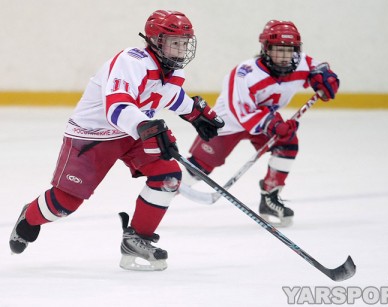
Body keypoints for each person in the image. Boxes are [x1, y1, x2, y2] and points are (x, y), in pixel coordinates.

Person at [9, 10, 224, 271]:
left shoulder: (171, 69)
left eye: (184, 43)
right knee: (65, 203)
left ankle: (137, 239)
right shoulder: (131, 62)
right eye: (174, 42)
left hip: (133, 132)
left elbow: (168, 95)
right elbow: (117, 108)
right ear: (156, 40)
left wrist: (195, 112)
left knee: (168, 176)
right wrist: (146, 126)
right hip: (93, 135)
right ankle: (29, 217)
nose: (180, 50)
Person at [182, 19, 339, 227]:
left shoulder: (299, 63)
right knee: (199, 167)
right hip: (227, 123)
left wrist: (325, 77)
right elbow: (241, 112)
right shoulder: (244, 73)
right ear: (265, 49)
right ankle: (160, 194)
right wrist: (272, 124)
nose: (285, 57)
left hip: (265, 121)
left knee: (287, 143)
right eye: (278, 50)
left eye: (290, 50)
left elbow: (317, 68)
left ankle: (270, 196)